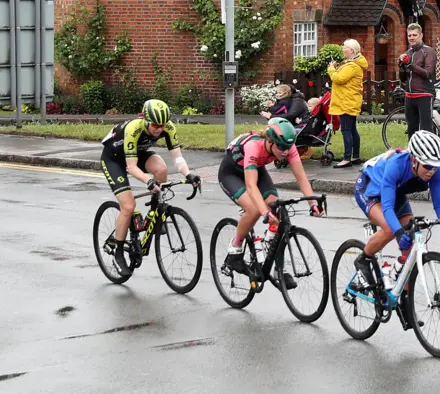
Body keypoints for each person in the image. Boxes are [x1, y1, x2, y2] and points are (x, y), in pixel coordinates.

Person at [218, 117, 325, 289]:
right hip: (232, 174)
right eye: (281, 147)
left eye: (288, 147)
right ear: (269, 141)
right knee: (253, 210)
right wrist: (264, 212)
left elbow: (302, 178)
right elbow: (251, 187)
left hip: (256, 170)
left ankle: (277, 268)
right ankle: (235, 251)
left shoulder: (288, 148)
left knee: (279, 209)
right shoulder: (254, 146)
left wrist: (312, 204)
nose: (285, 151)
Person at [352, 130, 440, 290]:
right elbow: (387, 207)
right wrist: (399, 232)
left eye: (436, 166)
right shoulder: (396, 165)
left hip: (395, 192)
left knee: (409, 251)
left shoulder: (435, 172)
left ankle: (402, 298)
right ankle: (363, 259)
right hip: (369, 189)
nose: (432, 170)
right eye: (427, 166)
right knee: (390, 229)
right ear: (414, 160)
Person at [100, 99, 201, 277]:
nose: (159, 129)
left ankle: (155, 214)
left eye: (162, 125)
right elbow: (131, 167)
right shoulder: (134, 128)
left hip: (137, 154)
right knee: (128, 206)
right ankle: (118, 254)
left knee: (161, 169)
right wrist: (148, 181)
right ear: (146, 120)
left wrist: (188, 175)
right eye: (155, 125)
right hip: (114, 159)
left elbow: (177, 158)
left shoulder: (168, 128)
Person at [328, 38, 368, 168]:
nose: (342, 49)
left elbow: (338, 79)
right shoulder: (351, 63)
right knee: (352, 129)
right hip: (349, 100)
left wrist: (331, 69)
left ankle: (347, 158)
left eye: (344, 47)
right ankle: (355, 156)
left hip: (347, 102)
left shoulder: (352, 66)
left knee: (346, 130)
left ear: (351, 50)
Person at [398, 23, 436, 138]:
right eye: (409, 35)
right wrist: (401, 67)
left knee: (425, 129)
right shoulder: (408, 52)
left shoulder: (428, 51)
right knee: (411, 129)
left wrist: (411, 65)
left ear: (421, 35)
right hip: (410, 96)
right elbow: (403, 78)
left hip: (424, 94)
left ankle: (428, 154)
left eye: (415, 35)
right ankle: (412, 154)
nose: (412, 38)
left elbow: (428, 73)